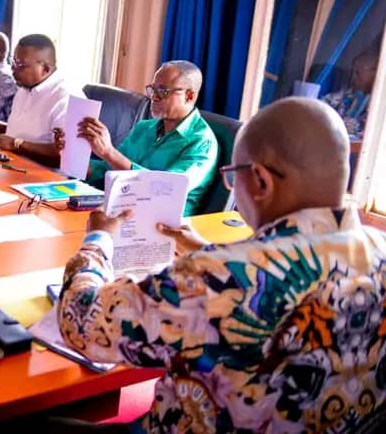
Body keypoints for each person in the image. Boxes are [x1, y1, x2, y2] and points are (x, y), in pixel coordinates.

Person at [38, 97, 386, 433]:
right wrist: (208, 249)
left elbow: (81, 323)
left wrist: (99, 239)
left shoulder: (218, 276)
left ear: (261, 181)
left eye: (233, 176)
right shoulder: (378, 250)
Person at [58, 60, 218, 216]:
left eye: (163, 91)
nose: (154, 97)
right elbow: (109, 169)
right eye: (152, 90)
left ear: (189, 96)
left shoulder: (202, 143)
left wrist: (109, 152)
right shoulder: (144, 127)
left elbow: (166, 189)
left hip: (160, 222)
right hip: (120, 209)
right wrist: (72, 154)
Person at [0, 34, 68, 166]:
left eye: (21, 65)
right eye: (13, 62)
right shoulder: (25, 87)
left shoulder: (64, 98)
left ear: (45, 69)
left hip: (41, 173)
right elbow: (29, 133)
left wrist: (15, 144)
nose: (13, 69)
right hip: (9, 162)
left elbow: (64, 155)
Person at [322, 48, 379, 140]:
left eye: (357, 73)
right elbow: (324, 104)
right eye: (352, 72)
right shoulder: (347, 95)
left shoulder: (379, 104)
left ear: (376, 72)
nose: (353, 77)